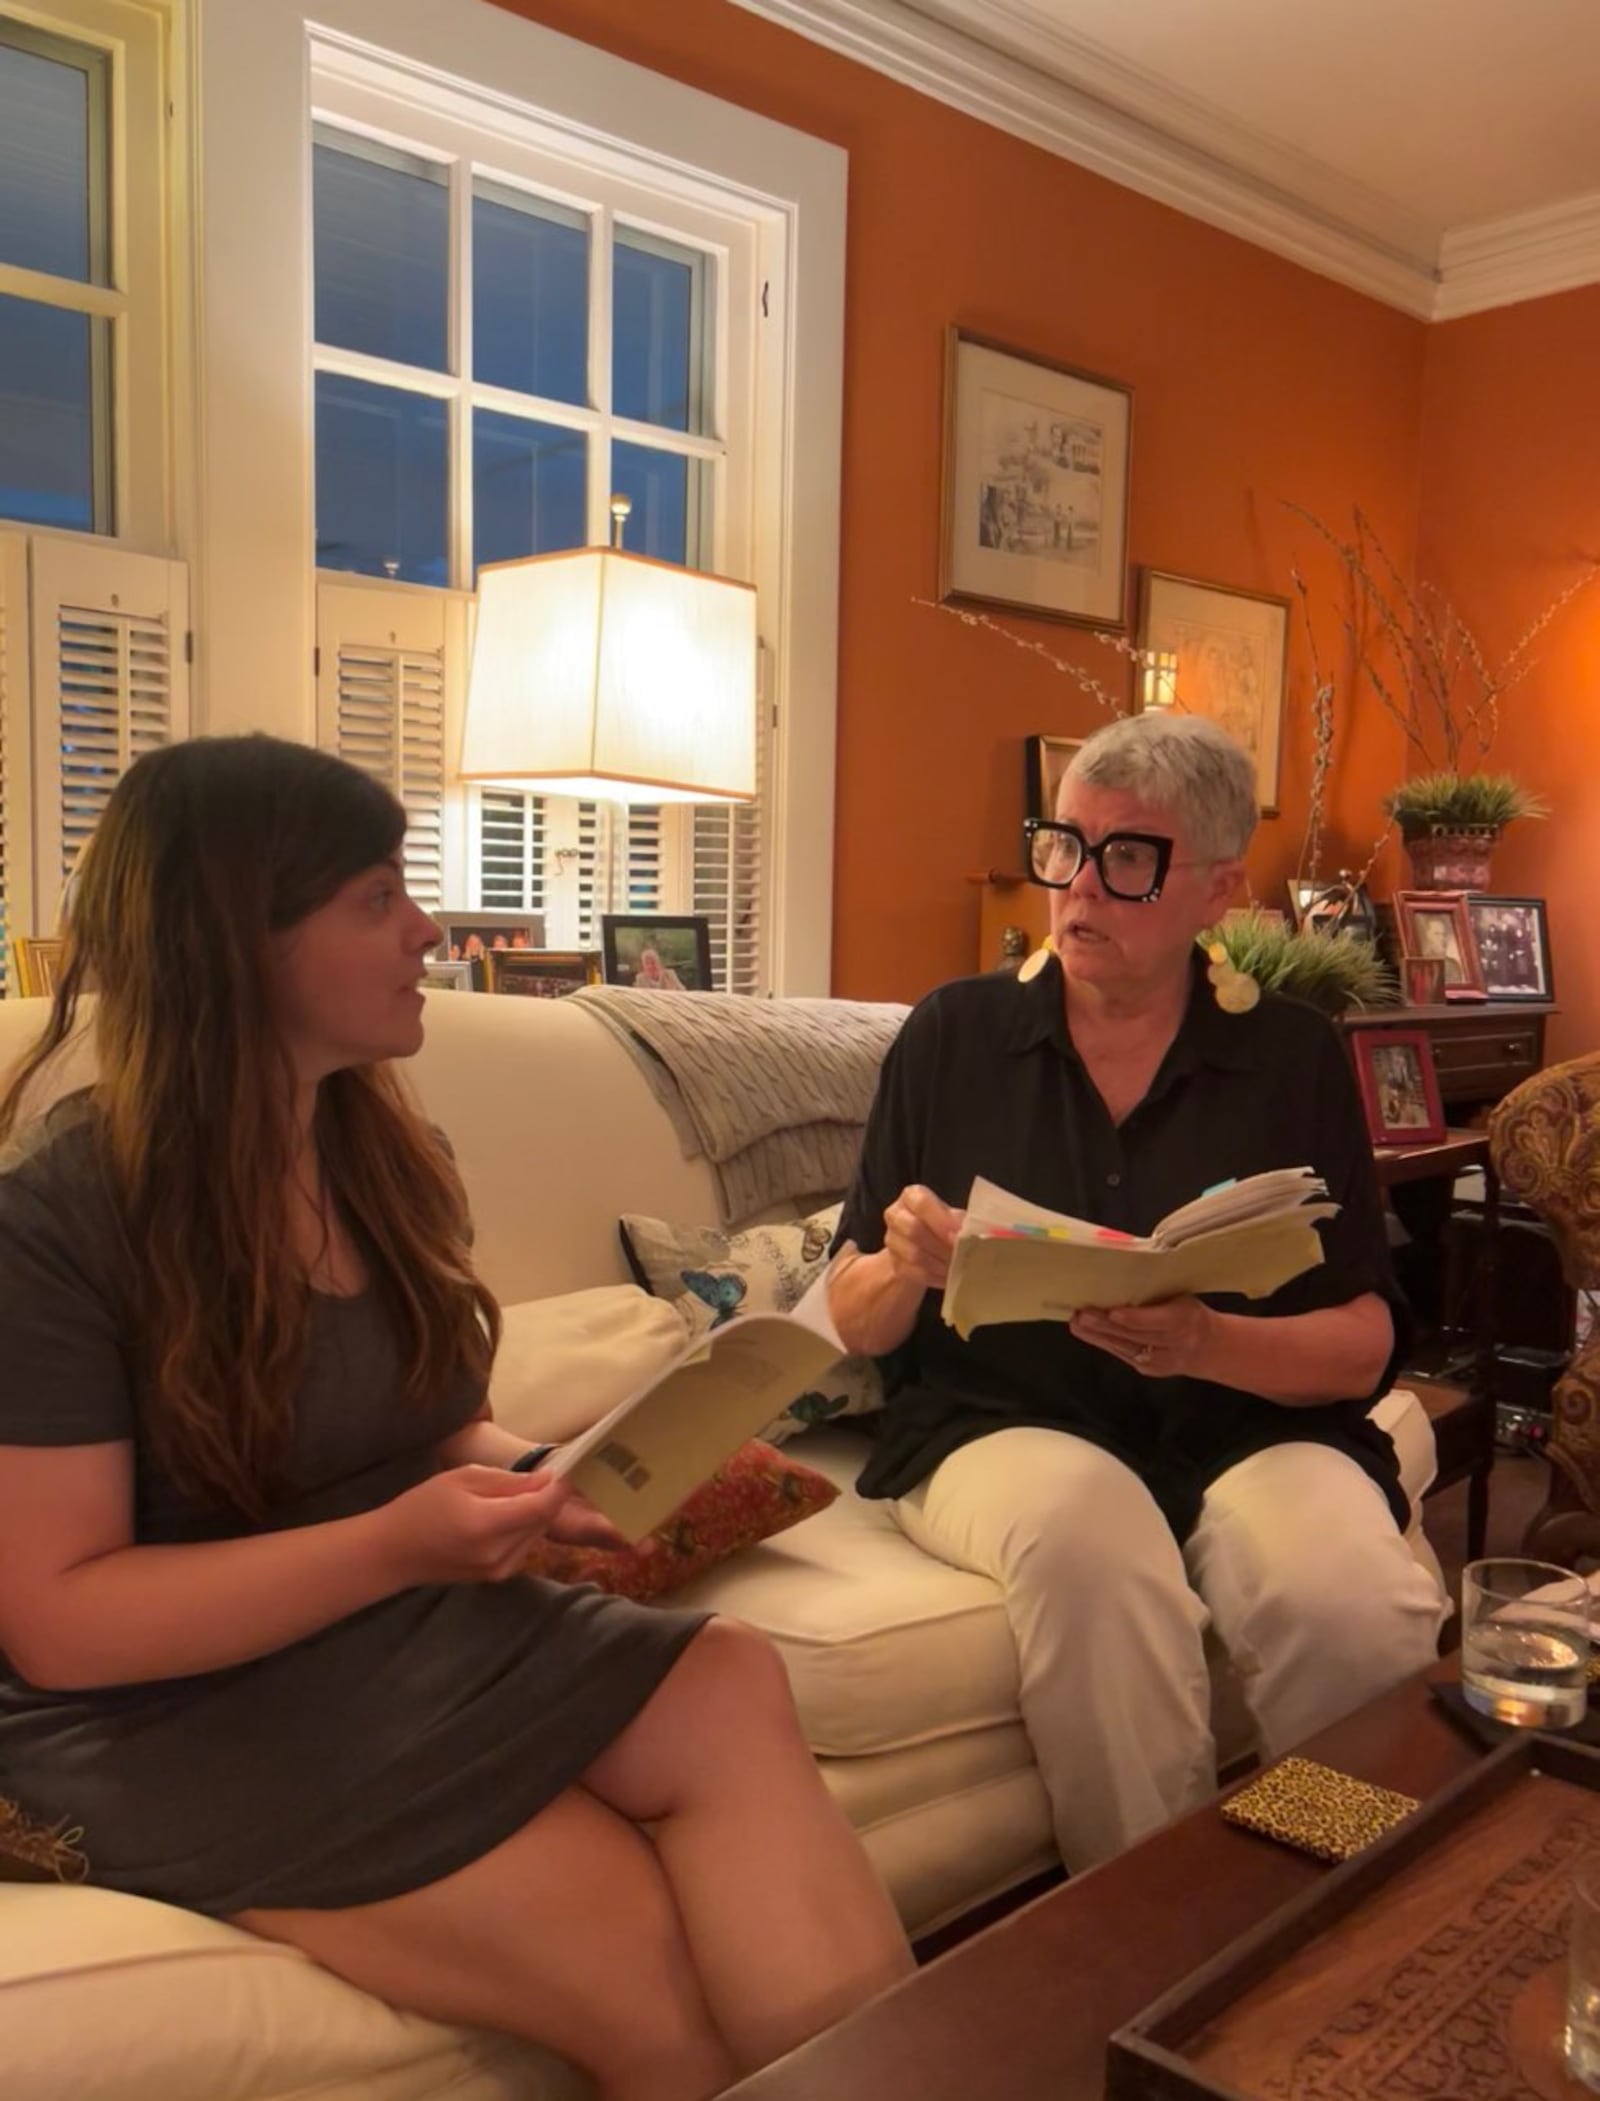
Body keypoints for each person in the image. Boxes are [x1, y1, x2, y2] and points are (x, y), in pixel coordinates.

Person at [0, 735, 910, 2101]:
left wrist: (545, 1479)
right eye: (376, 897)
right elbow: (62, 1621)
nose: (428, 927)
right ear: (237, 940)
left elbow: (429, 1433)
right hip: (172, 1711)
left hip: (382, 1622)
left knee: (726, 1679)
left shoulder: (373, 1152)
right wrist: (396, 1546)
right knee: (647, 1977)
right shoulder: (58, 1221)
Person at [828, 713, 1445, 1873]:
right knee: (1093, 1550)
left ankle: (1323, 1897)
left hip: (1244, 1419)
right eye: (1066, 845)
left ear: (1218, 890)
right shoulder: (956, 1034)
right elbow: (852, 1323)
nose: (1081, 888)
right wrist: (901, 1263)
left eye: (1128, 858)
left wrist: (1203, 1339)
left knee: (1351, 1600)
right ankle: (1158, 1941)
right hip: (996, 1420)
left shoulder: (1292, 1058)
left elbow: (1365, 1342)